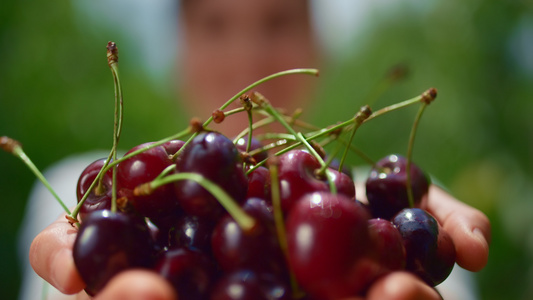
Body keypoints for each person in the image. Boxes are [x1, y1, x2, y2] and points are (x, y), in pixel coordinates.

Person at [21, 0, 491, 299]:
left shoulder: (381, 208)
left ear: (317, 45)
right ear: (178, 49)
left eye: (278, 22)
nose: (248, 55)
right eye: (216, 25)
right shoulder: (79, 187)